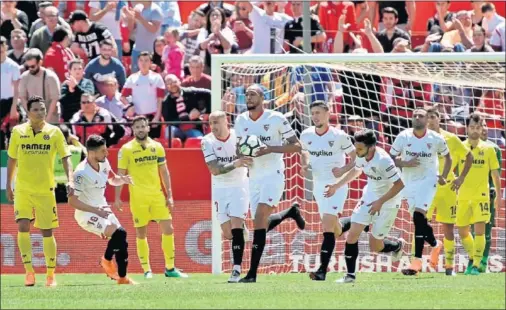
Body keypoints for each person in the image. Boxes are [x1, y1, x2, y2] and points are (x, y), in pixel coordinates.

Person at [201, 110, 303, 282]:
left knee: (239, 225)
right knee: (229, 233)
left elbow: (255, 148)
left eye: (217, 122)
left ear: (226, 122)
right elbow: (214, 170)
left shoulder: (239, 135)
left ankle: (236, 270)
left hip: (241, 186)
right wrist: (237, 162)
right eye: (211, 123)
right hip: (219, 188)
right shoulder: (207, 141)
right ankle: (288, 213)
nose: (214, 127)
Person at [234, 84, 305, 283]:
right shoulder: (240, 120)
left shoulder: (276, 119)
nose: (248, 97)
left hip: (273, 175)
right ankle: (290, 212)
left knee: (259, 219)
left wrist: (269, 149)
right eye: (247, 94)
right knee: (259, 223)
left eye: (253, 94)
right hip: (253, 176)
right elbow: (239, 149)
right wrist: (243, 155)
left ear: (263, 98)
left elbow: (297, 146)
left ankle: (252, 274)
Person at [6, 96, 73, 287]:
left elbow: (66, 157)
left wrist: (70, 179)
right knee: (23, 226)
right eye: (36, 109)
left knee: (47, 231)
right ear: (28, 112)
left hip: (45, 190)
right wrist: (9, 185)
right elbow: (11, 159)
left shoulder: (55, 132)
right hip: (23, 189)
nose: (40, 112)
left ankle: (51, 275)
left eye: (43, 109)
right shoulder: (18, 132)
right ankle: (29, 272)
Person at [325, 129, 405, 283]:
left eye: (360, 148)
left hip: (389, 201)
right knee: (352, 234)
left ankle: (396, 246)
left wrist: (380, 202)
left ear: (372, 147)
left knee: (375, 247)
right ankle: (350, 276)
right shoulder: (362, 154)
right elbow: (356, 169)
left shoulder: (383, 160)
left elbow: (399, 185)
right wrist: (337, 185)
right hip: (369, 197)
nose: (357, 151)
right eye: (356, 148)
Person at [114, 115, 187, 279]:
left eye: (143, 126)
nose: (140, 129)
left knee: (169, 229)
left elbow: (164, 172)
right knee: (141, 234)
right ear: (133, 130)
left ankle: (170, 268)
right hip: (138, 198)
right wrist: (117, 197)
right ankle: (147, 270)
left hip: (157, 196)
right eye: (137, 127)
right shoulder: (126, 149)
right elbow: (121, 174)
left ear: (148, 128)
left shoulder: (157, 146)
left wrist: (170, 195)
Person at [299, 101, 357, 281]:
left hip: (336, 185)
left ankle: (322, 270)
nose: (315, 116)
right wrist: (305, 163)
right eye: (313, 113)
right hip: (318, 185)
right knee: (333, 228)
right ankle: (352, 222)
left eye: (318, 112)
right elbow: (304, 151)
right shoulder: (306, 134)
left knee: (326, 227)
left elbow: (357, 159)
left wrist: (343, 170)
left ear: (327, 113)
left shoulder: (339, 135)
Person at [389, 108, 452, 276]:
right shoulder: (403, 136)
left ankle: (415, 262)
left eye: (421, 116)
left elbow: (448, 157)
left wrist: (443, 176)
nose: (417, 118)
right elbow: (392, 158)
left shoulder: (436, 138)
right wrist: (405, 163)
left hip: (428, 181)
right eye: (415, 115)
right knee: (420, 221)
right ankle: (435, 244)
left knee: (418, 217)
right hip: (408, 183)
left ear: (426, 120)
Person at [68, 134, 136, 285]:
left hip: (102, 207)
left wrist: (122, 179)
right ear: (92, 153)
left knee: (122, 238)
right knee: (119, 233)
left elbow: (111, 179)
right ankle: (107, 261)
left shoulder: (104, 162)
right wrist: (96, 211)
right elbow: (72, 201)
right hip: (86, 213)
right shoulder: (81, 173)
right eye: (103, 150)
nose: (107, 153)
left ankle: (122, 278)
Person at [425, 106, 473, 276]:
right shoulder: (419, 138)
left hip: (448, 188)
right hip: (426, 187)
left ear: (439, 118)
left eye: (432, 116)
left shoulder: (451, 138)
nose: (430, 120)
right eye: (427, 117)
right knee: (420, 224)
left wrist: (460, 178)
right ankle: (417, 262)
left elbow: (469, 157)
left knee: (448, 228)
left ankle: (449, 267)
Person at [457, 114, 501, 275]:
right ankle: (472, 257)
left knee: (480, 231)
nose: (475, 131)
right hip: (462, 196)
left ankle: (475, 265)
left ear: (482, 128)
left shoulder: (489, 149)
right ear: (467, 128)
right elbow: (453, 169)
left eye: (478, 127)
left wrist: (498, 197)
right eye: (472, 127)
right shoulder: (460, 147)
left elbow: (496, 175)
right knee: (462, 231)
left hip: (481, 196)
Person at [475, 124, 503, 272]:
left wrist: (495, 193)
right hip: (469, 195)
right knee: (469, 230)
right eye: (480, 126)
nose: (484, 129)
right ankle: (473, 262)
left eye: (485, 125)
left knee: (486, 229)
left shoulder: (494, 148)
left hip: (487, 194)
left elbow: (496, 174)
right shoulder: (466, 147)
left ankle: (482, 264)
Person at [120, 51, 165, 138]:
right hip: (137, 118)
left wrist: (157, 117)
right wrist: (129, 106)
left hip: (152, 117)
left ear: (150, 63)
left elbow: (160, 99)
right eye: (141, 60)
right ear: (138, 62)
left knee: (153, 144)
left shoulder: (157, 77)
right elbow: (122, 97)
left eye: (146, 60)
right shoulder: (132, 78)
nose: (143, 63)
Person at [18, 48, 60, 122]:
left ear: (40, 62)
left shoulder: (50, 77)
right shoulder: (24, 77)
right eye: (28, 66)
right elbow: (22, 97)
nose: (30, 69)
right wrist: (30, 115)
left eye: (33, 66)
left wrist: (47, 120)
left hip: (50, 118)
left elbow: (54, 99)